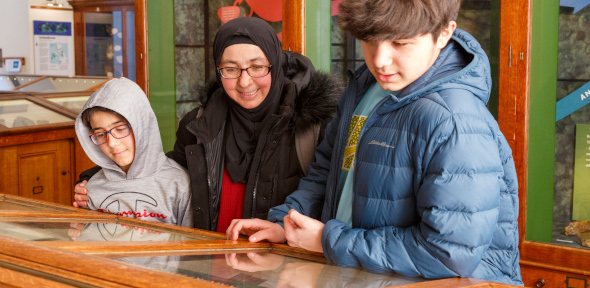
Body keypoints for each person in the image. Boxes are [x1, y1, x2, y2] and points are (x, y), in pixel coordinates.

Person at [226, 0, 523, 285]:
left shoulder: (455, 120)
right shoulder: (366, 88)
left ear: (443, 33)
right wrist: (286, 224)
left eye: (400, 43)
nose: (380, 60)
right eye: (369, 41)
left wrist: (326, 240)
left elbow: (447, 254)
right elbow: (327, 173)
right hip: (358, 275)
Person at [73, 17, 341, 233]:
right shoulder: (198, 124)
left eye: (257, 67)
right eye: (231, 69)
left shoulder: (314, 125)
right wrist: (99, 175)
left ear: (275, 64)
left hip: (284, 266)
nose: (244, 82)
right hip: (212, 265)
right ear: (218, 70)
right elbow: (162, 166)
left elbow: (326, 192)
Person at [75, 77, 193, 227]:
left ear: (142, 125)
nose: (112, 143)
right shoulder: (89, 189)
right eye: (100, 134)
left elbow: (193, 245)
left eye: (120, 129)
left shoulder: (180, 185)